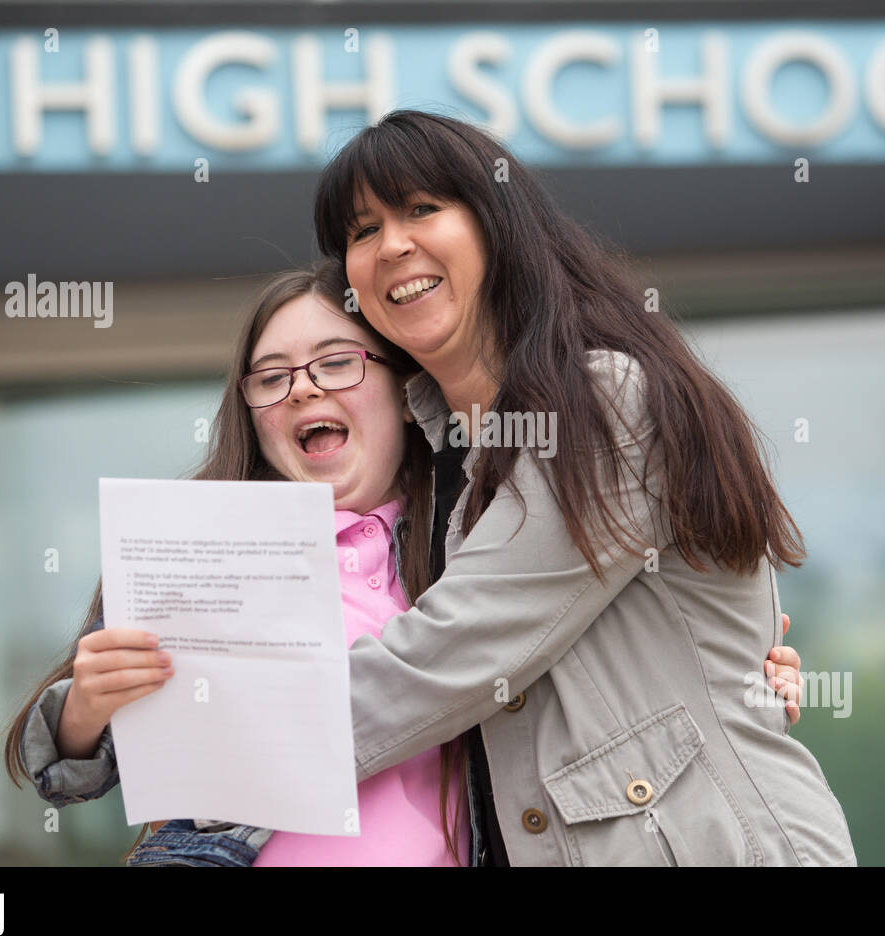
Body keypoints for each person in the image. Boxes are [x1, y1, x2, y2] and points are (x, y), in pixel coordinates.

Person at [2, 259, 809, 866]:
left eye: (338, 363)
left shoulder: (470, 548)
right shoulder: (205, 548)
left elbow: (585, 672)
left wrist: (732, 677)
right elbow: (71, 760)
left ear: (402, 388)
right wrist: (86, 712)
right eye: (272, 377)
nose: (304, 390)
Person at [304, 108, 857, 866]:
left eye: (422, 209)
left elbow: (445, 656)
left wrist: (200, 742)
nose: (392, 244)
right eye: (362, 232)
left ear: (499, 226)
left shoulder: (603, 403)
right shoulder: (431, 463)